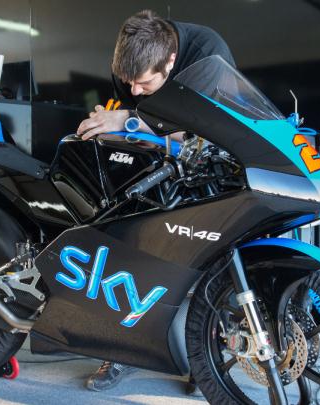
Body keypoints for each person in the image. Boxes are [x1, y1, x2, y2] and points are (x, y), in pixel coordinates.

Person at [77, 9, 236, 393]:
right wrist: (112, 121)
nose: (132, 90)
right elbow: (132, 111)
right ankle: (116, 349)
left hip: (205, 159)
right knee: (121, 236)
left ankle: (208, 357)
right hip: (154, 155)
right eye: (127, 82)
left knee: (213, 252)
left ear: (169, 61)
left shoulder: (208, 54)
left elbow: (210, 130)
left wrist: (130, 121)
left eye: (142, 82)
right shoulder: (131, 62)